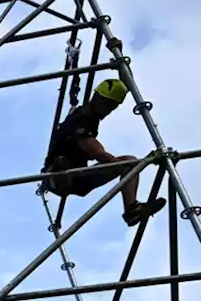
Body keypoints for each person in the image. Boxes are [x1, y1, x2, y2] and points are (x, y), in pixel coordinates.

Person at [42, 77, 166, 227]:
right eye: (107, 105)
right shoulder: (80, 123)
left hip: (80, 178)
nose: (108, 111)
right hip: (56, 179)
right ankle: (63, 176)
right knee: (127, 165)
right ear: (96, 97)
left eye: (112, 107)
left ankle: (132, 209)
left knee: (130, 161)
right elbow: (97, 153)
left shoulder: (88, 116)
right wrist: (128, 169)